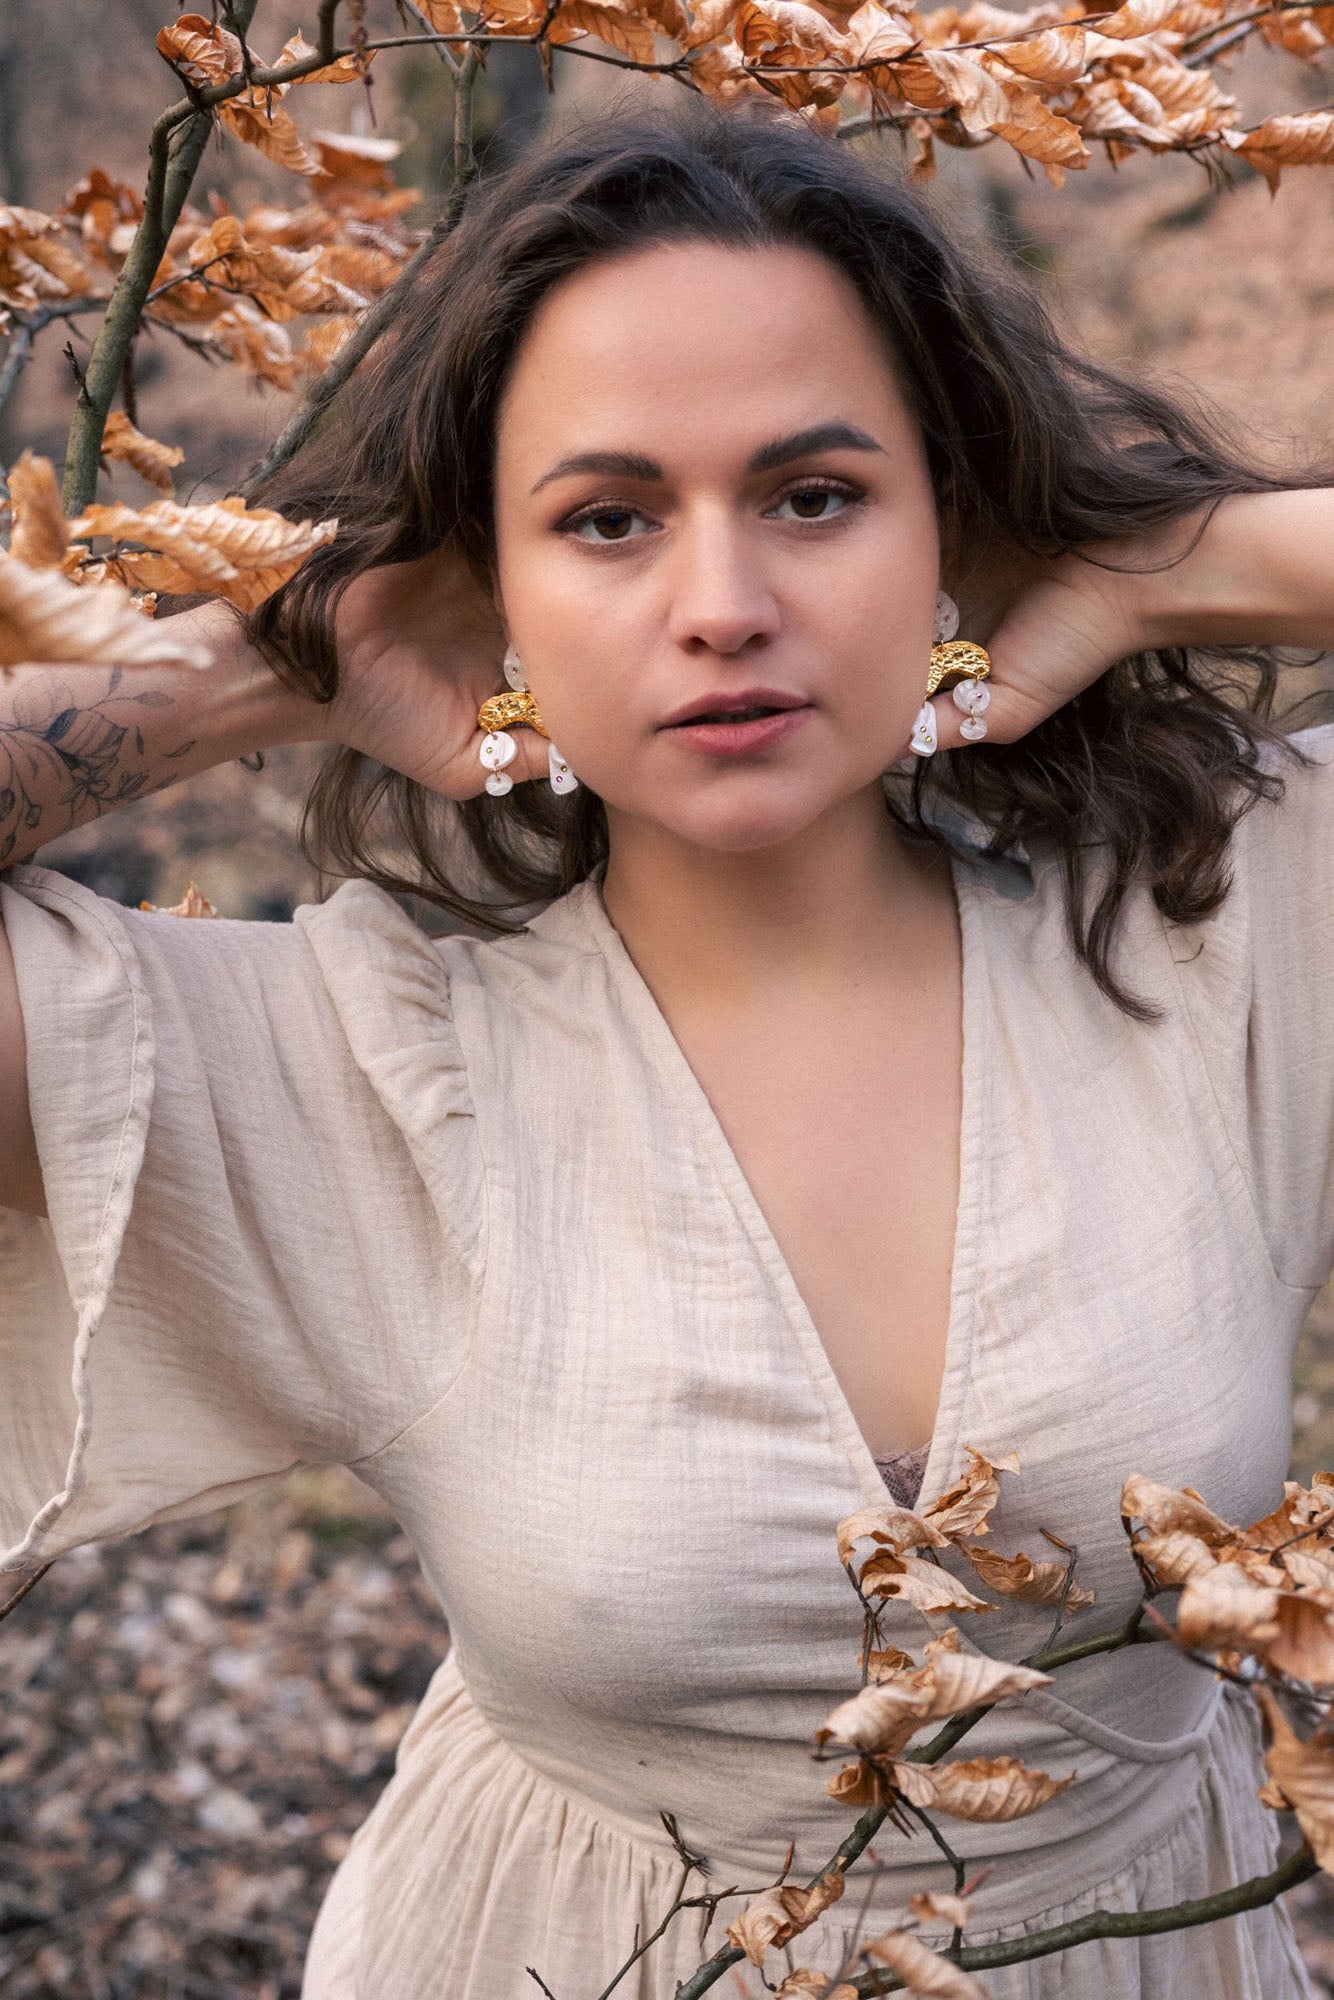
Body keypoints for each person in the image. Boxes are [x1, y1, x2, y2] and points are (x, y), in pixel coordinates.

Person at [2, 91, 1334, 2000]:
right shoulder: (362, 1063)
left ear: (947, 529)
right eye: (607, 521)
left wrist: (1161, 562)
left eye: (814, 496)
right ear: (494, 593)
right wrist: (259, 667)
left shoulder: (1217, 937)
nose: (722, 608)